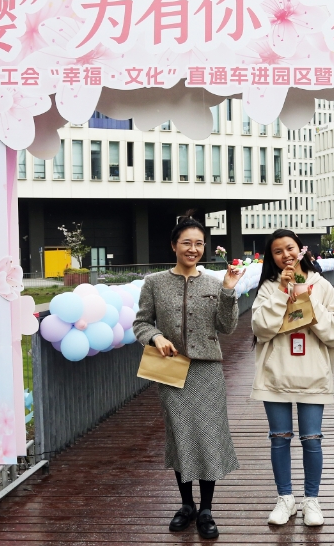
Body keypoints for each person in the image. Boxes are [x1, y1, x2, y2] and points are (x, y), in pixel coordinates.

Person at [134, 214, 246, 539]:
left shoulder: (214, 283)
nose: (193, 249)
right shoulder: (154, 282)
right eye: (186, 243)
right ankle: (187, 505)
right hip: (171, 369)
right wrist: (155, 337)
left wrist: (228, 291)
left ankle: (206, 509)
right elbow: (141, 323)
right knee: (181, 436)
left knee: (208, 436)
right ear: (174, 245)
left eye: (199, 243)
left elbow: (227, 327)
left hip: (207, 370)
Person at [250, 229, 334, 527]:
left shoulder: (322, 285)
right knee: (279, 439)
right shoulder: (268, 287)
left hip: (313, 372)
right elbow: (261, 328)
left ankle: (311, 500)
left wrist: (307, 298)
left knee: (312, 439)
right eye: (278, 251)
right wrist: (282, 291)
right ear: (272, 257)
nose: (285, 255)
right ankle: (285, 498)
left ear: (301, 249)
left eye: (290, 248)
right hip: (275, 373)